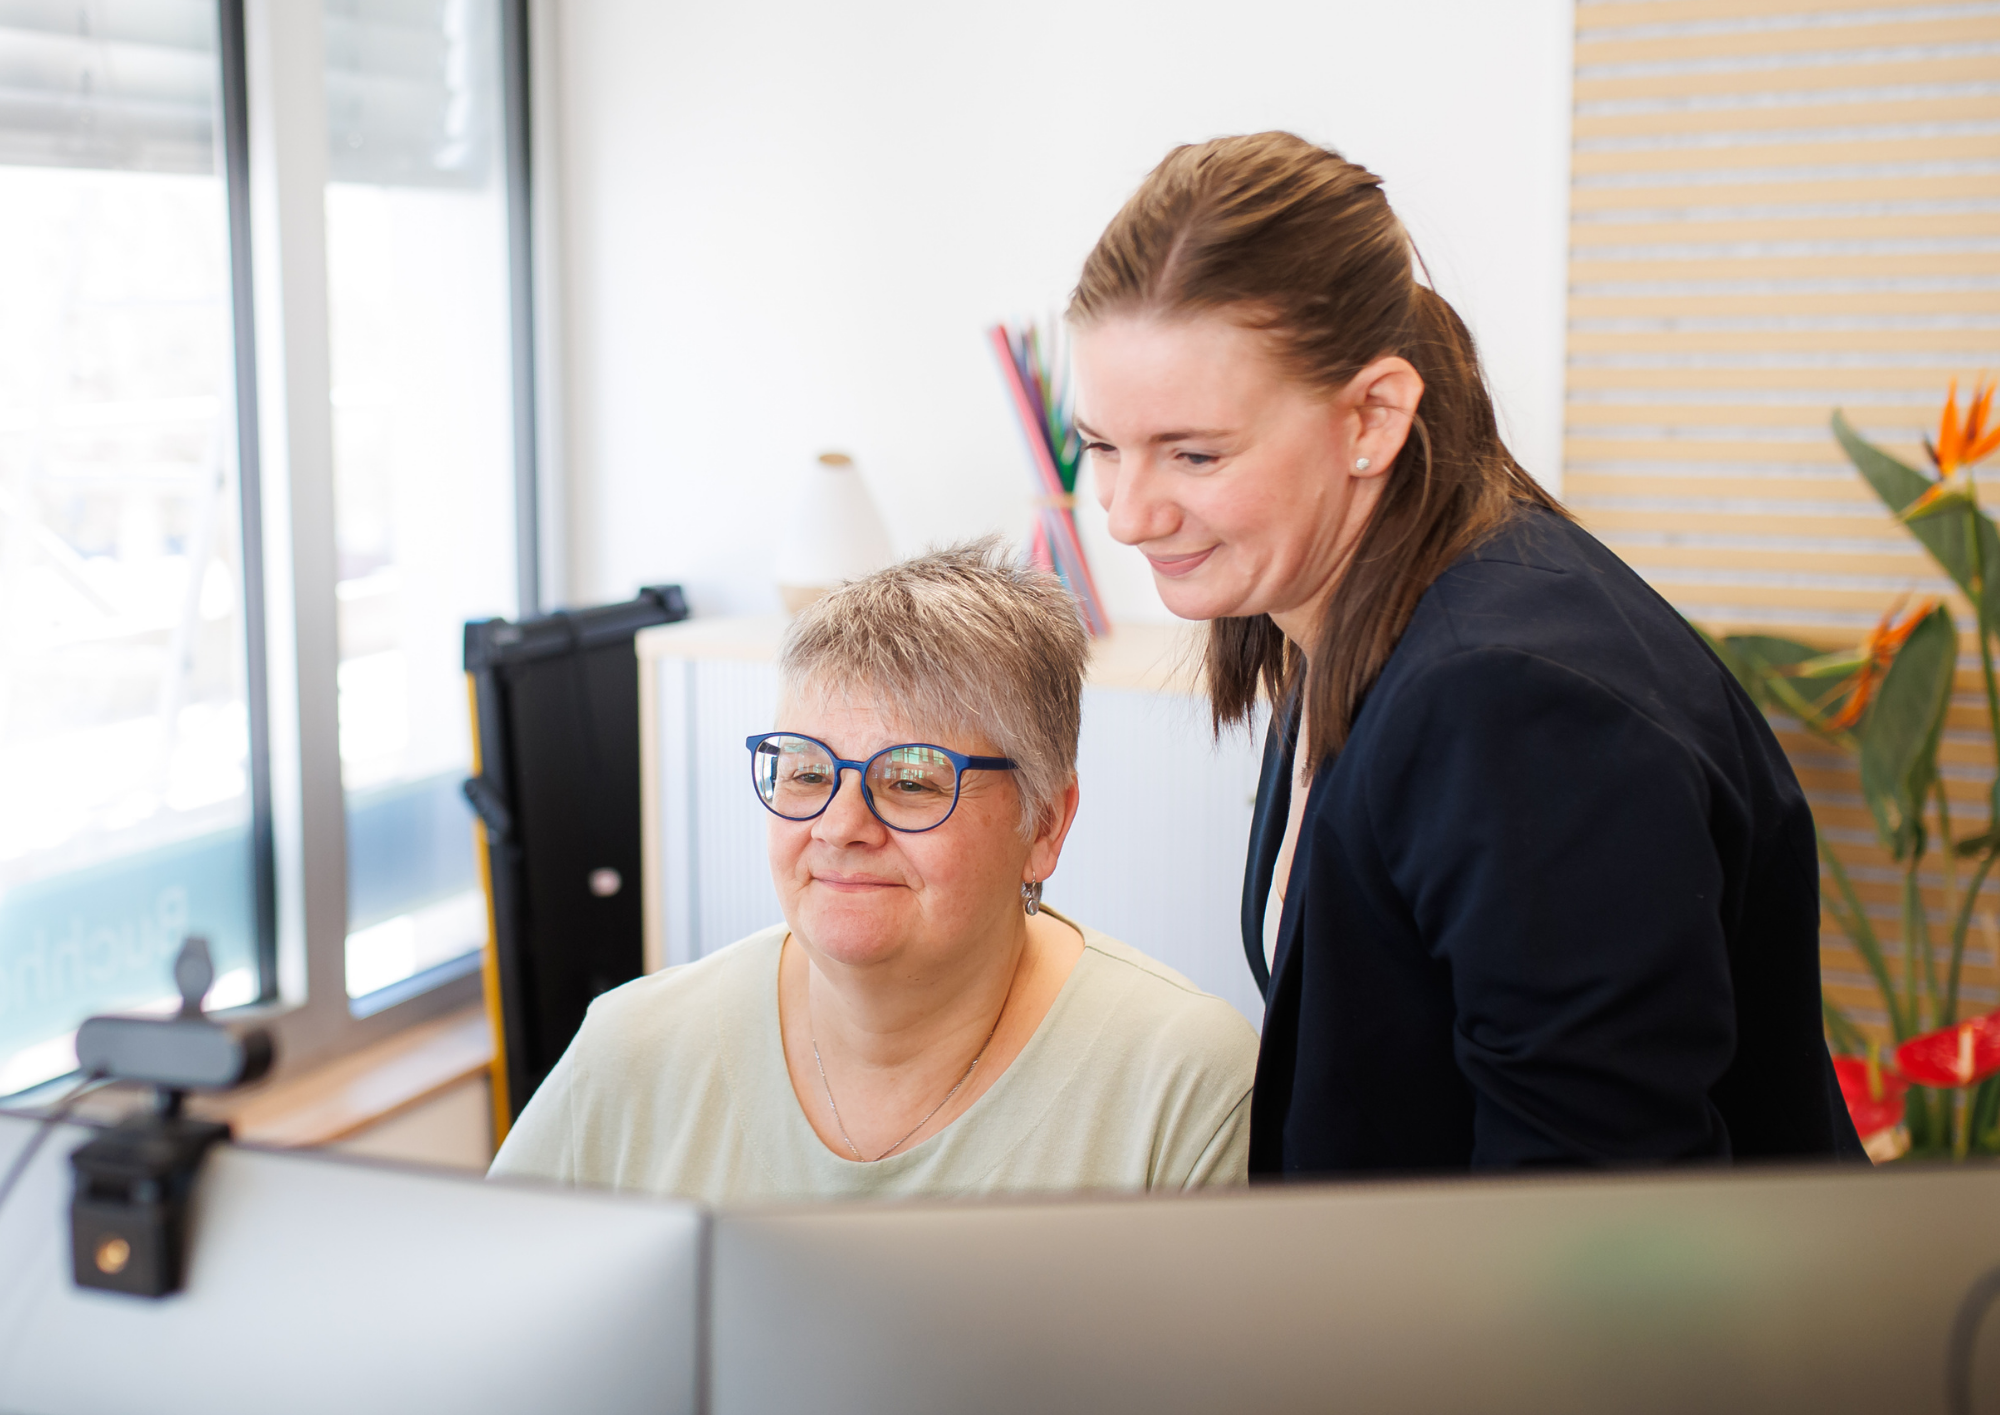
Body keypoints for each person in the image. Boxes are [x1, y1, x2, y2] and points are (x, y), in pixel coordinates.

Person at [1067, 131, 1863, 1174]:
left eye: (1193, 452)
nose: (1126, 512)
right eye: (1101, 444)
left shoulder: (1507, 701)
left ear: (1373, 415)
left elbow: (1587, 1219)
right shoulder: (1335, 607)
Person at [489, 541, 1257, 1202]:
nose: (840, 826)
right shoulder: (633, 1049)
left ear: (1045, 825)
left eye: (914, 779)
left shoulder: (1185, 1086)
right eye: (804, 772)